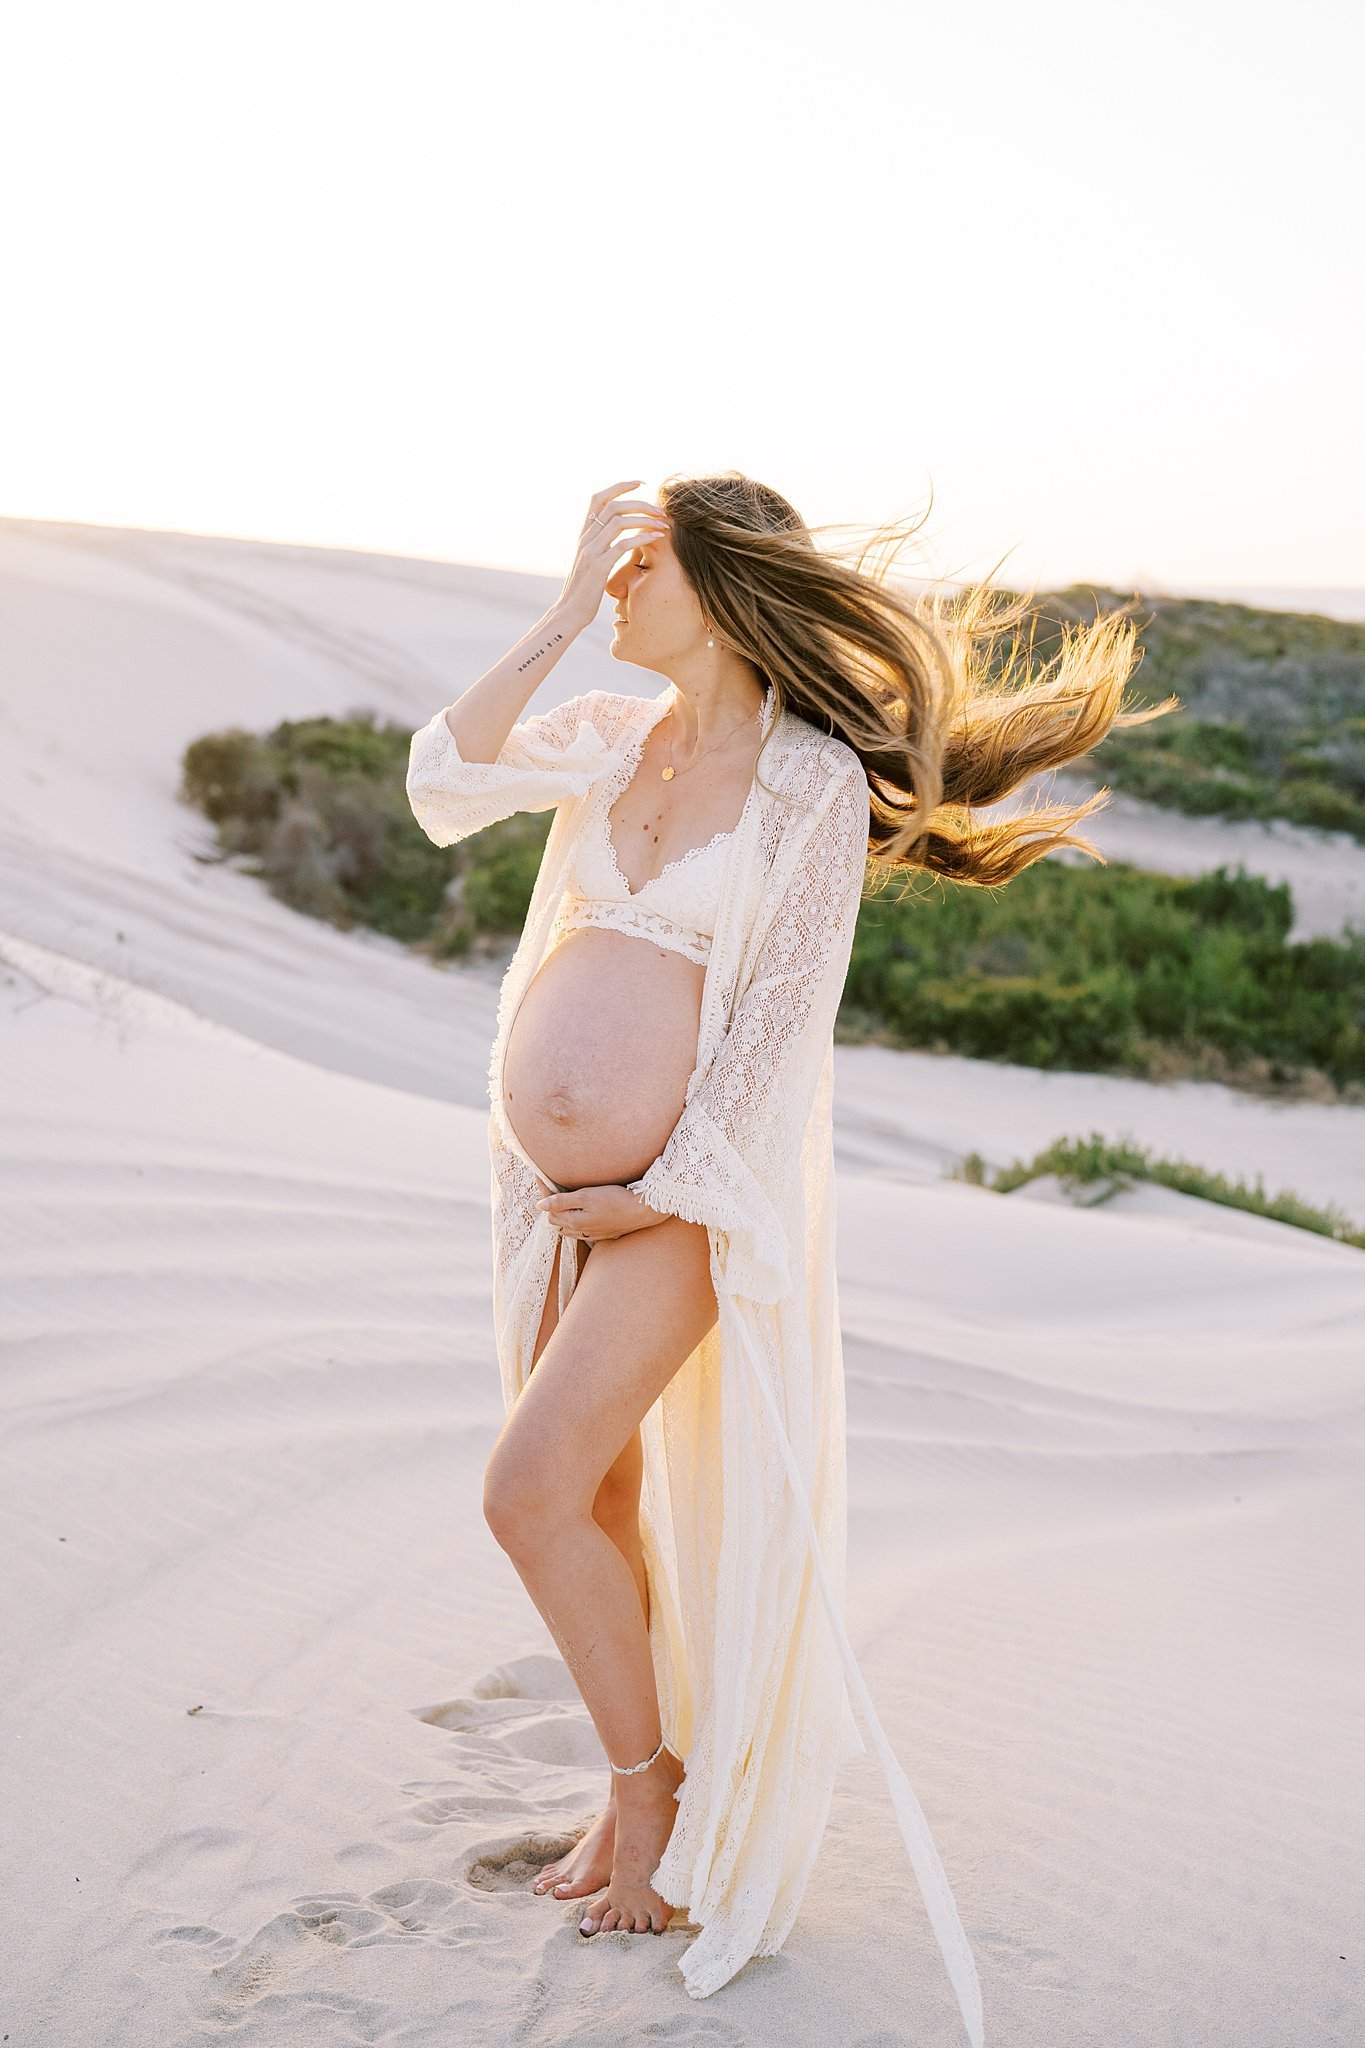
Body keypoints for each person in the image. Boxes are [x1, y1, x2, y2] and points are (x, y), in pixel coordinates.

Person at [406, 472, 1169, 2031]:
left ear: (726, 584)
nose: (615, 589)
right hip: (550, 1201)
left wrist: (663, 1188)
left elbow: (774, 1037)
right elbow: (445, 774)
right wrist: (555, 614)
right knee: (595, 1502)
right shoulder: (616, 740)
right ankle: (640, 1781)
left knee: (522, 1492)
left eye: (637, 568)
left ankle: (655, 1796)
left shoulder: (807, 783)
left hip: (683, 1207)